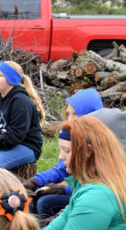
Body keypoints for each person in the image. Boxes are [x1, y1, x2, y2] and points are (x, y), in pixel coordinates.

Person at [23, 87, 103, 219]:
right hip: (79, 190)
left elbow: (98, 185)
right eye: (68, 114)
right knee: (35, 199)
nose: (70, 119)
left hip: (95, 199)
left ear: (91, 114)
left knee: (46, 203)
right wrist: (35, 181)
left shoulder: (101, 143)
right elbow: (61, 169)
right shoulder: (74, 135)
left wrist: (63, 189)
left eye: (75, 114)